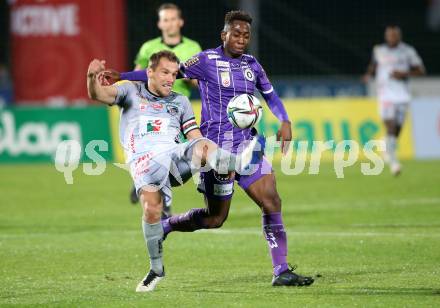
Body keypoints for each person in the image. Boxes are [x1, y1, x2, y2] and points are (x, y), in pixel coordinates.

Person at [105, 10, 314, 287]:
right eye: (236, 34)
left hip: (246, 144)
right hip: (214, 152)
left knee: (272, 201)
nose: (242, 39)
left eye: (246, 35)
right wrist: (122, 75)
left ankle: (281, 270)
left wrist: (285, 120)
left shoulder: (253, 65)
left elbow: (271, 96)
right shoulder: (206, 60)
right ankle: (167, 225)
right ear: (224, 35)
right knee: (215, 218)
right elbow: (166, 74)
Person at [87, 51, 259, 292]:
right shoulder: (130, 91)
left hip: (174, 155)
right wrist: (92, 76)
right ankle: (156, 270)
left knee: (200, 145)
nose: (171, 78)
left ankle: (235, 163)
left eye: (174, 74)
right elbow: (99, 94)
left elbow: (194, 136)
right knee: (152, 210)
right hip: (143, 163)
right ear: (150, 73)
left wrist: (208, 154)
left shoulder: (180, 102)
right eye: (165, 73)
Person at [129, 3, 202, 211]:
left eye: (173, 19)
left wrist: (185, 75)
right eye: (165, 20)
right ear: (160, 23)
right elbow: (137, 76)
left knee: (179, 158)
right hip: (152, 111)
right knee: (165, 155)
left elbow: (199, 82)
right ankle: (162, 202)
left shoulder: (193, 48)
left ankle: (146, 177)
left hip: (178, 111)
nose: (169, 24)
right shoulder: (148, 48)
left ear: (180, 22)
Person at [363, 25, 425, 176]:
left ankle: (387, 146)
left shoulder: (408, 51)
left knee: (397, 129)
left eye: (394, 35)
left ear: (399, 36)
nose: (392, 38)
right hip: (385, 94)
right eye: (389, 35)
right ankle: (394, 162)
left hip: (402, 95)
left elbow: (421, 70)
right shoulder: (378, 50)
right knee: (390, 126)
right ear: (386, 36)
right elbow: (374, 65)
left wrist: (404, 73)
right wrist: (368, 75)